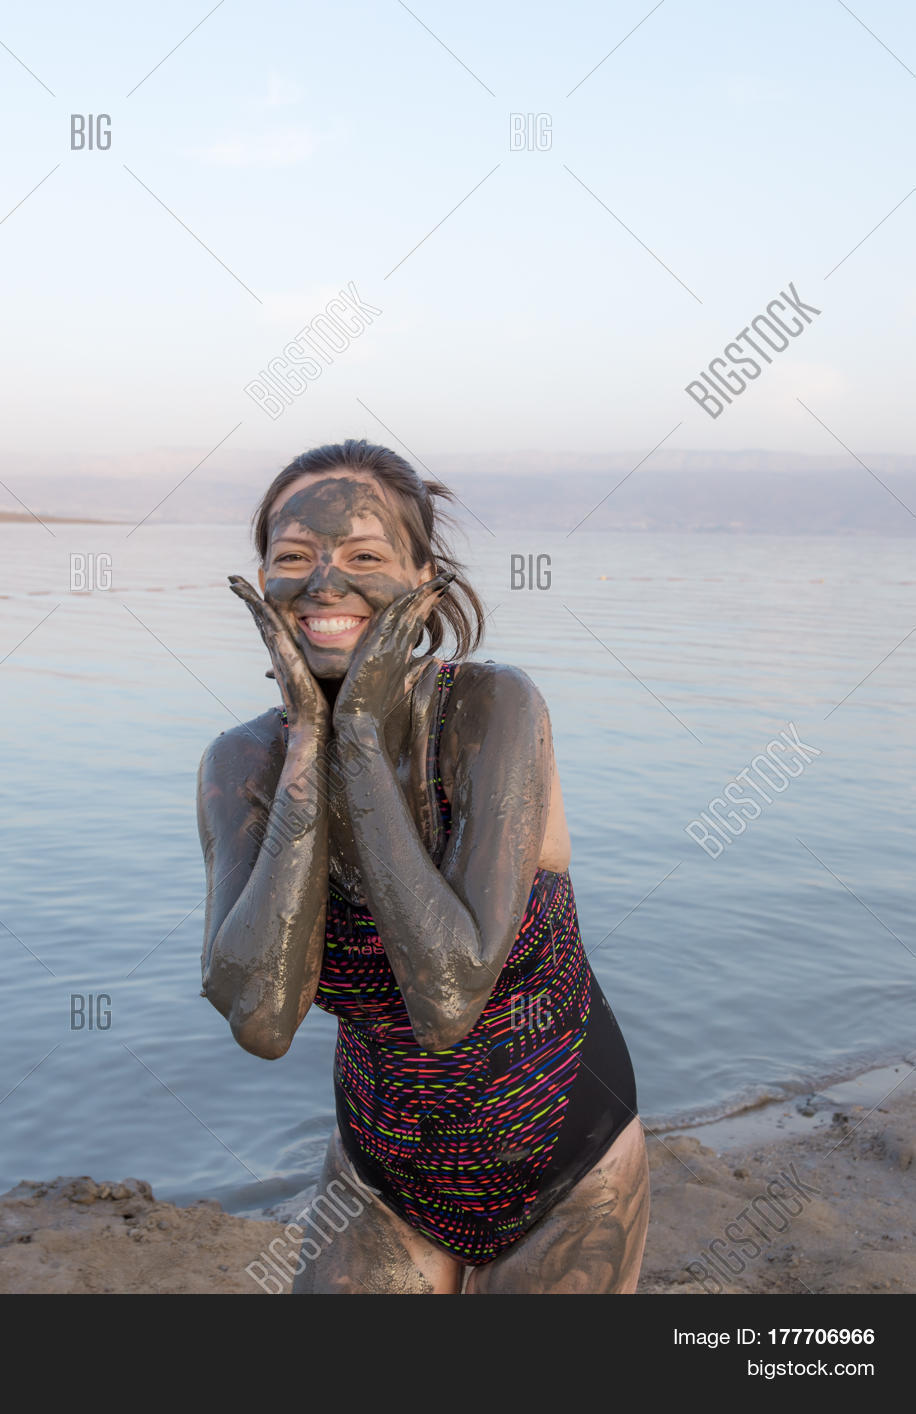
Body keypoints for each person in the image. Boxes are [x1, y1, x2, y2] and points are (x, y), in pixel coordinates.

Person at [196, 439, 649, 1293]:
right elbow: (262, 1021)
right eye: (293, 558)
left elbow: (446, 1001)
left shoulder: (490, 711)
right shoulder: (244, 763)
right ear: (262, 583)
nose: (324, 581)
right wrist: (310, 745)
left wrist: (360, 739)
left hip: (566, 1158)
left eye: (365, 557)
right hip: (380, 1168)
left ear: (424, 583)